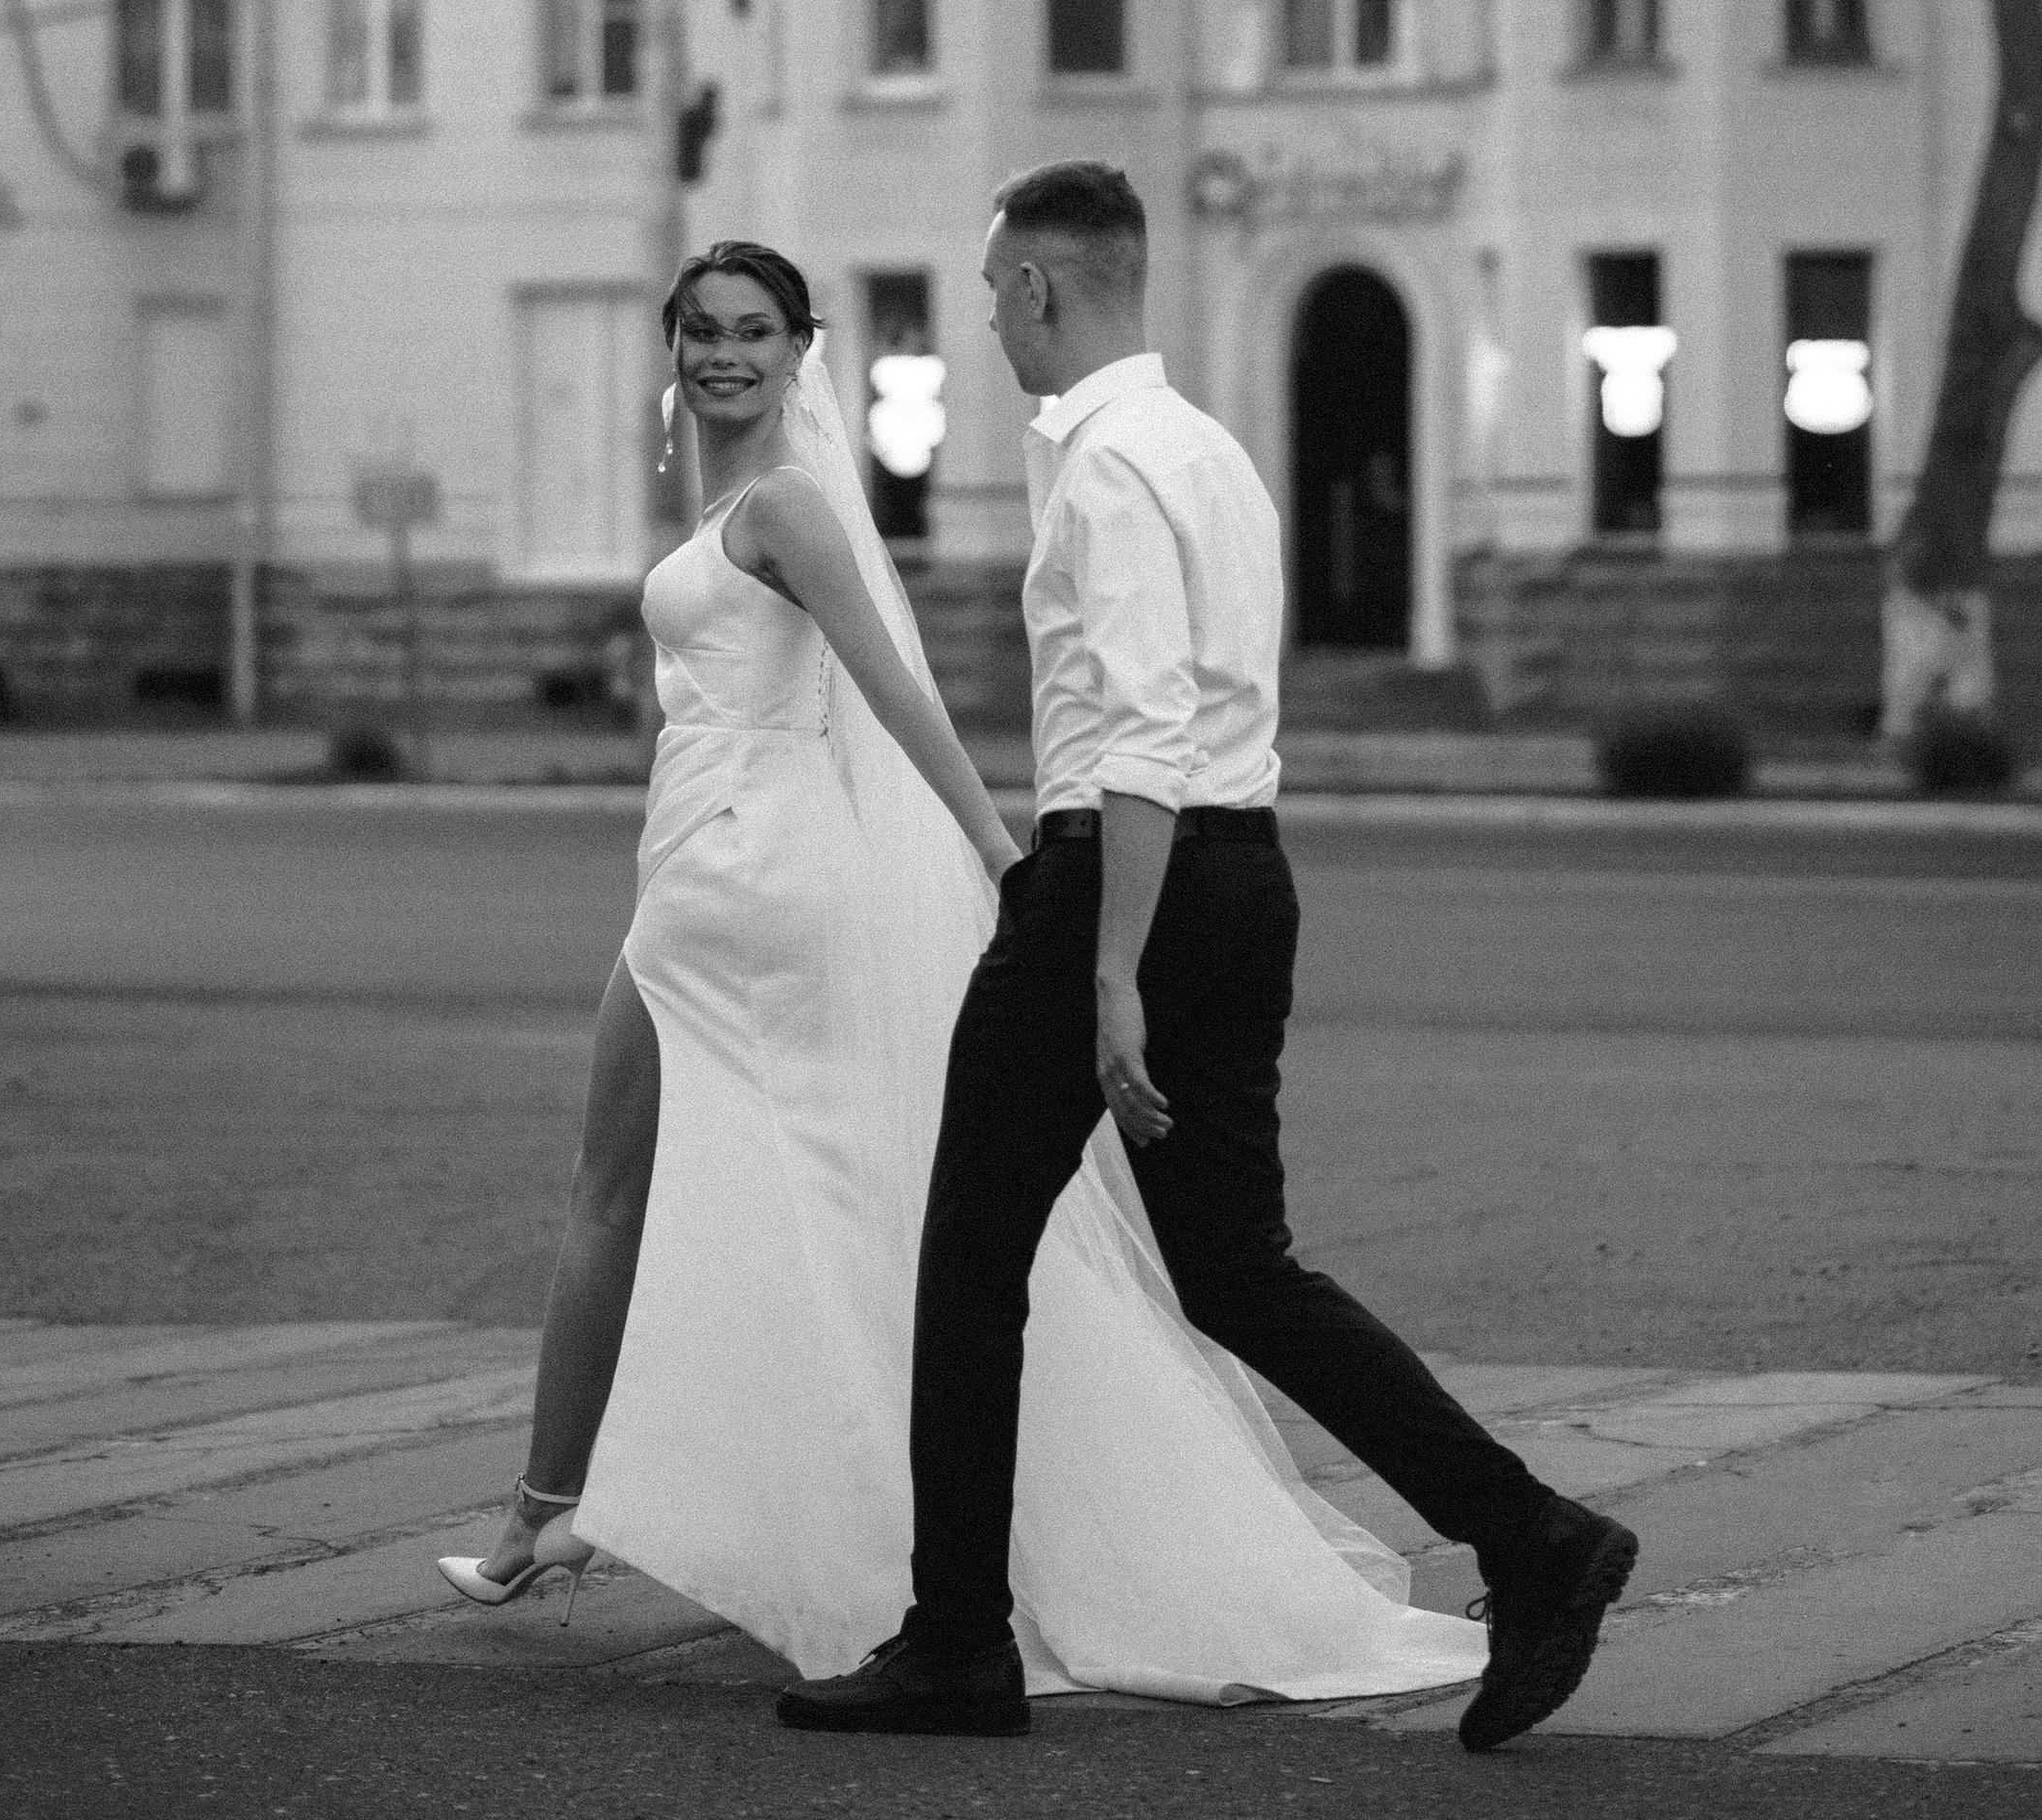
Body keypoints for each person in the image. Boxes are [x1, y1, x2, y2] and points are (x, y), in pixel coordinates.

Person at [437, 235, 1489, 1712]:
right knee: (700, 1182)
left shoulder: (793, 506)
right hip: (699, 860)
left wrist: (1003, 858)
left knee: (686, 1184)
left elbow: (896, 692)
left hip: (752, 878)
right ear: (670, 348)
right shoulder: (727, 494)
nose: (720, 354)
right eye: (698, 331)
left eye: (752, 332)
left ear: (804, 350)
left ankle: (578, 1516)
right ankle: (579, 1509)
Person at [778, 163, 1638, 1755]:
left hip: (1133, 878)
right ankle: (1534, 1537)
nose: (986, 323)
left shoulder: (1106, 470)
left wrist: (1107, 971)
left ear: (1042, 285)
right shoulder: (1213, 453)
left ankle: (957, 1642)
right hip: (1247, 878)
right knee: (1237, 1267)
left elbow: (1147, 733)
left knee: (969, 1255)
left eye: (992, 293)